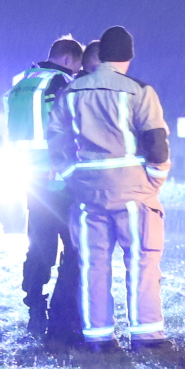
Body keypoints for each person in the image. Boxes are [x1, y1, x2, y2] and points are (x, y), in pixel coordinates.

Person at [53, 24, 171, 349]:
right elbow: (157, 144)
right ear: (129, 57)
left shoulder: (72, 91)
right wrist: (155, 180)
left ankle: (98, 339)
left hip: (86, 193)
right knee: (142, 262)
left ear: (101, 55)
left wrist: (71, 175)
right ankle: (147, 336)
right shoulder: (140, 91)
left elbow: (56, 143)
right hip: (134, 192)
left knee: (93, 264)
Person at [6, 35, 86, 338]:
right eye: (76, 67)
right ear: (68, 59)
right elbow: (65, 127)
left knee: (38, 246)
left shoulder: (21, 81)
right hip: (59, 180)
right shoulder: (59, 82)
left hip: (30, 179)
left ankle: (35, 309)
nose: (76, 73)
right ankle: (63, 314)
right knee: (75, 248)